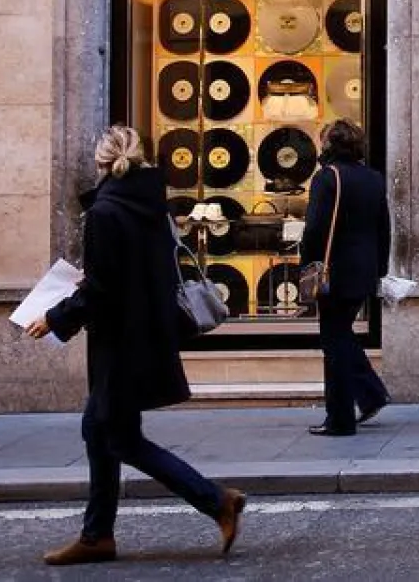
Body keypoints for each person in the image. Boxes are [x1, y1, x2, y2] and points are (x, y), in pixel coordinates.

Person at [24, 126, 246, 566]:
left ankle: (216, 500)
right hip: (145, 334)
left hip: (119, 342)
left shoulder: (105, 212)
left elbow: (102, 288)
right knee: (100, 430)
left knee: (120, 439)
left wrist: (55, 317)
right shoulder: (152, 207)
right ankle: (97, 535)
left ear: (101, 162)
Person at [300, 118, 391, 436]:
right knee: (340, 335)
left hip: (334, 271)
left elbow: (314, 228)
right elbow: (383, 227)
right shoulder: (373, 178)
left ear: (329, 144)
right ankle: (368, 396)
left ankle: (342, 417)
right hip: (364, 270)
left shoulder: (327, 177)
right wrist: (380, 269)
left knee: (334, 341)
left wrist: (306, 265)